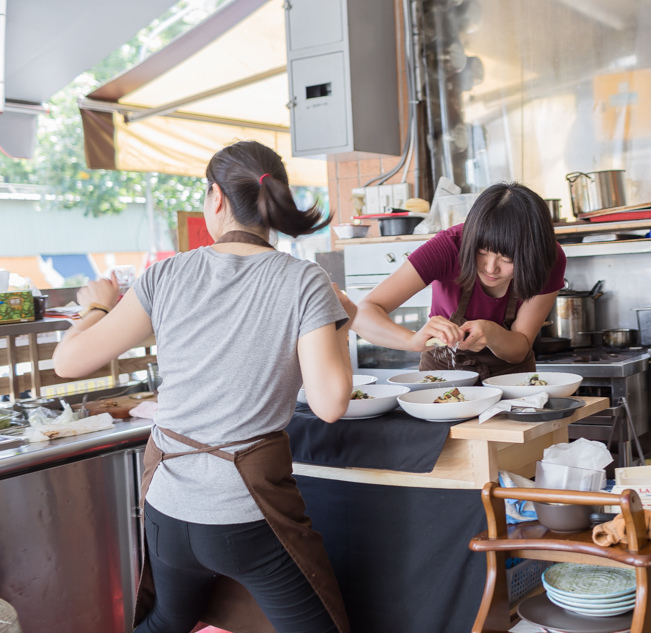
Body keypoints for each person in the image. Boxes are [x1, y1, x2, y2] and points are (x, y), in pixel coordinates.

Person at [53, 140, 354, 633]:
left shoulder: (165, 275)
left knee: (170, 621)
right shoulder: (304, 281)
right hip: (246, 513)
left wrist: (97, 305)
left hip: (167, 508)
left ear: (215, 198)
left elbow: (68, 362)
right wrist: (340, 324)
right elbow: (330, 404)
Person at [352, 181, 566, 380]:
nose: (491, 267)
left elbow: (520, 349)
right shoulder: (449, 246)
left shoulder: (548, 258)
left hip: (510, 380)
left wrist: (493, 335)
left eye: (508, 258)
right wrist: (411, 340)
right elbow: (363, 313)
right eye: (481, 252)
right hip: (443, 374)